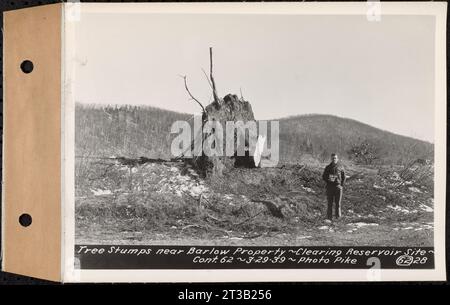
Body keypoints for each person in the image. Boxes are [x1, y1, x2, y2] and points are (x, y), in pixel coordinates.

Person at [322, 153, 346, 221]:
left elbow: (344, 177)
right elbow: (324, 176)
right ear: (331, 159)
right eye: (332, 158)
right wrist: (329, 179)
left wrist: (341, 185)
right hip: (330, 187)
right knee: (330, 203)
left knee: (338, 204)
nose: (334, 159)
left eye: (335, 158)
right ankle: (329, 218)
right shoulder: (328, 167)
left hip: (338, 187)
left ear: (337, 159)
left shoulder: (341, 167)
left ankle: (338, 218)